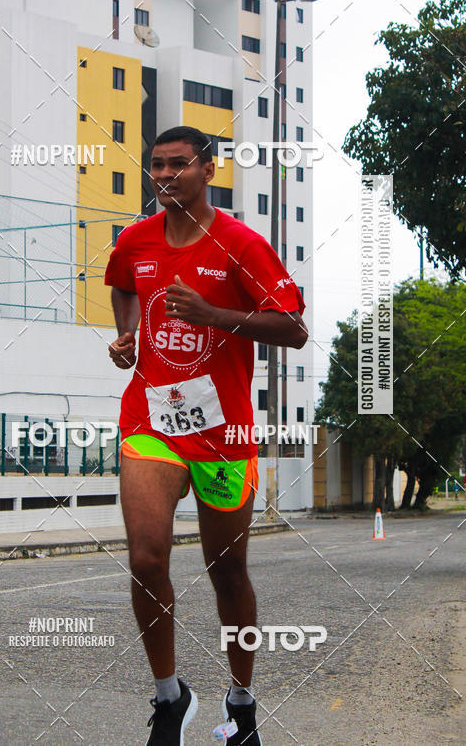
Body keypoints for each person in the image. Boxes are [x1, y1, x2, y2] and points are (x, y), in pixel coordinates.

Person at [104, 126, 307, 745]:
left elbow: (293, 328)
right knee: (145, 557)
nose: (164, 176)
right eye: (156, 167)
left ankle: (241, 705)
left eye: (177, 166)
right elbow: (121, 283)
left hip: (225, 432)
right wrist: (129, 334)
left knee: (228, 572)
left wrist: (215, 315)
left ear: (208, 170)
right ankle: (170, 698)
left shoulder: (241, 244)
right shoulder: (134, 241)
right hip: (152, 421)